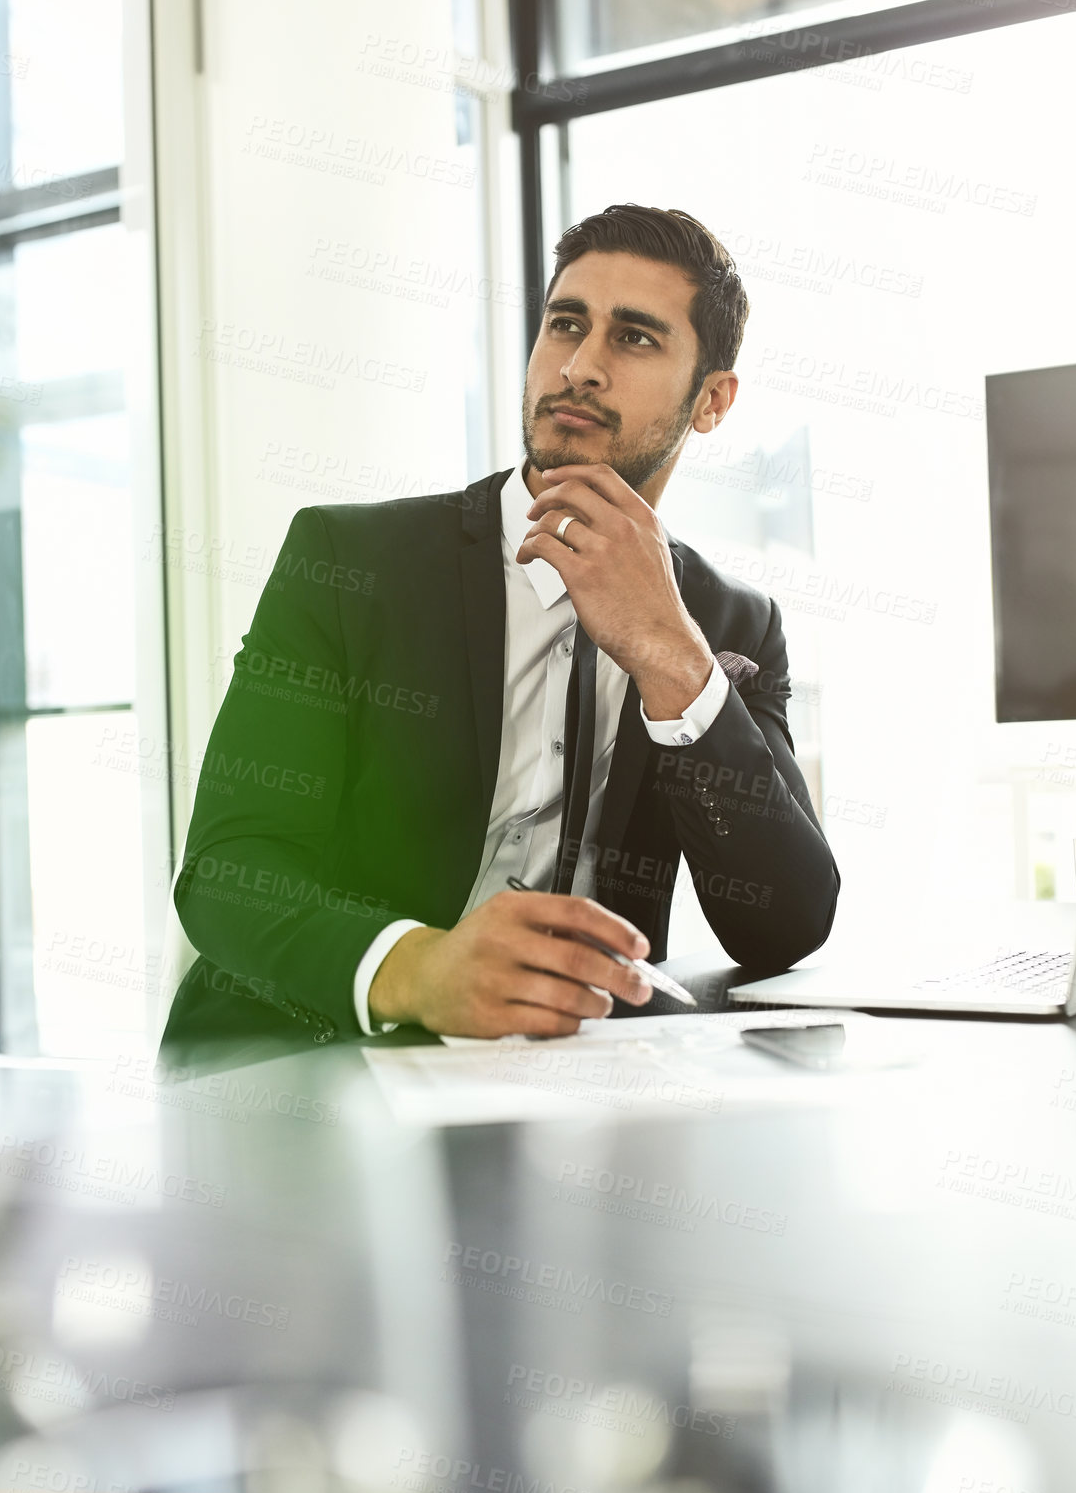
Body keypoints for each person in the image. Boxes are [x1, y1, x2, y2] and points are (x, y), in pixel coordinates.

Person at [161, 204, 840, 1052]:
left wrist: (670, 655)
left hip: (577, 1086)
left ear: (710, 401)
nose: (581, 366)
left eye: (633, 339)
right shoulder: (349, 560)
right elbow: (228, 870)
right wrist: (421, 969)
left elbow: (785, 923)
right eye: (565, 325)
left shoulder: (731, 623)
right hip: (312, 1064)